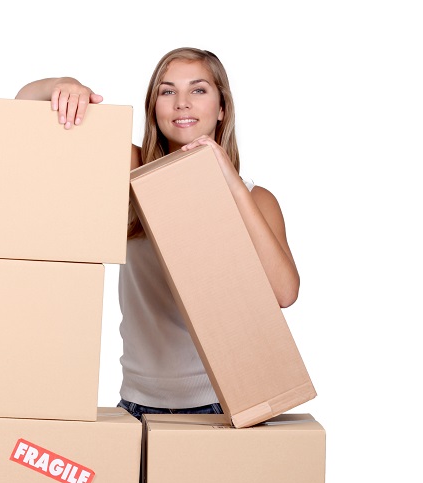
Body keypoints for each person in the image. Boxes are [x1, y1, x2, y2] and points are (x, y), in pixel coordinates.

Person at [16, 47, 300, 421]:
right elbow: (23, 110)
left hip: (223, 407)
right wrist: (63, 86)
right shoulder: (133, 172)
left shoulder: (255, 198)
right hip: (136, 404)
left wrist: (228, 181)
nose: (182, 103)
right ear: (154, 109)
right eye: (167, 92)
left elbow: (284, 293)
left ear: (221, 109)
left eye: (198, 90)